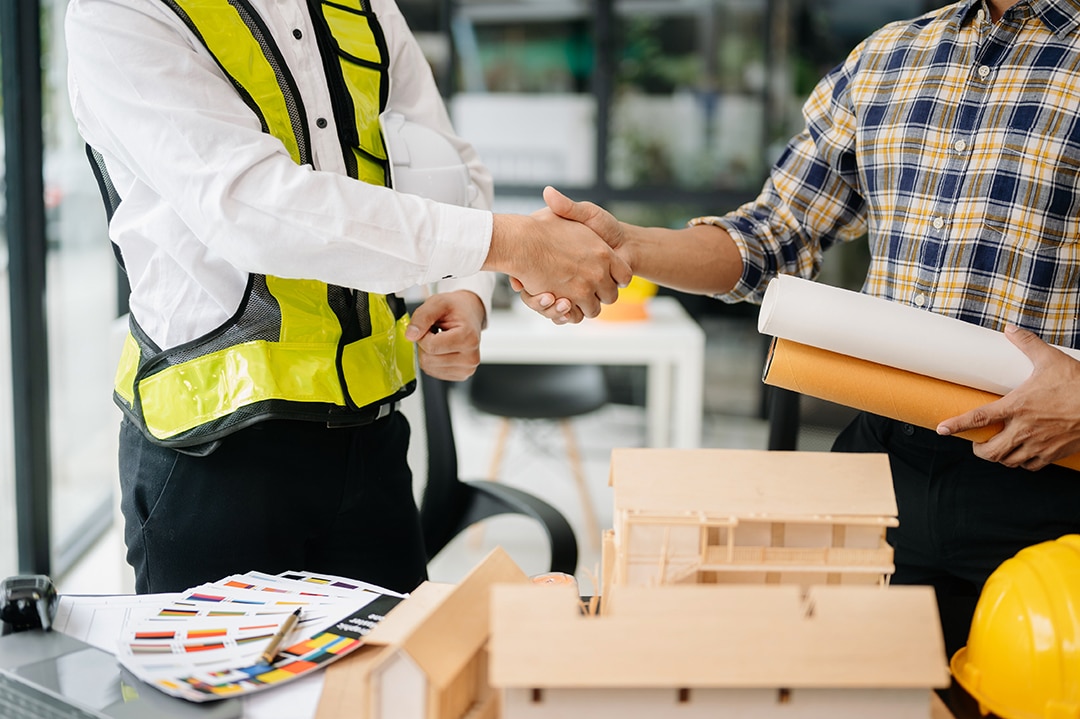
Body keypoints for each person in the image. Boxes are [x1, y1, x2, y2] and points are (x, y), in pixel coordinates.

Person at [521, 0, 1080, 661]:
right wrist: (626, 246)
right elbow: (772, 236)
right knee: (843, 690)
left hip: (1054, 480)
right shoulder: (888, 57)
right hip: (882, 470)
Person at [64, 0, 631, 596]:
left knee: (393, 682)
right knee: (229, 693)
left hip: (372, 446)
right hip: (215, 458)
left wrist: (466, 291)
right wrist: (511, 243)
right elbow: (252, 208)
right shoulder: (123, 10)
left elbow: (449, 161)